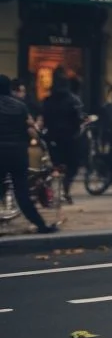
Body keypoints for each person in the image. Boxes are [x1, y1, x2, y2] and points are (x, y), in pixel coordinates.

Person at [0, 76, 57, 233]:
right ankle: (41, 225)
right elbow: (32, 130)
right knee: (22, 192)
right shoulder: (20, 106)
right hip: (17, 154)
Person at [40, 69, 83, 204]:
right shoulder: (73, 100)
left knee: (53, 166)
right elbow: (78, 118)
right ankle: (66, 190)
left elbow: (45, 118)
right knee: (72, 166)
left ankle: (51, 193)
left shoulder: (48, 100)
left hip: (52, 136)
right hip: (70, 138)